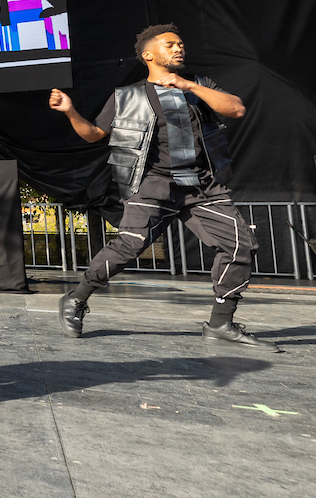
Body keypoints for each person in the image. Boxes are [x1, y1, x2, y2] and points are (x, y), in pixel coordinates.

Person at [48, 24, 276, 351]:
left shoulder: (198, 84)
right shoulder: (128, 95)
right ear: (148, 55)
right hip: (155, 184)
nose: (179, 48)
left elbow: (236, 109)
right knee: (129, 246)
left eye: (181, 44)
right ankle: (76, 298)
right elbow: (94, 134)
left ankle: (220, 324)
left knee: (240, 245)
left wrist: (189, 86)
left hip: (201, 185)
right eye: (170, 44)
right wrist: (70, 111)